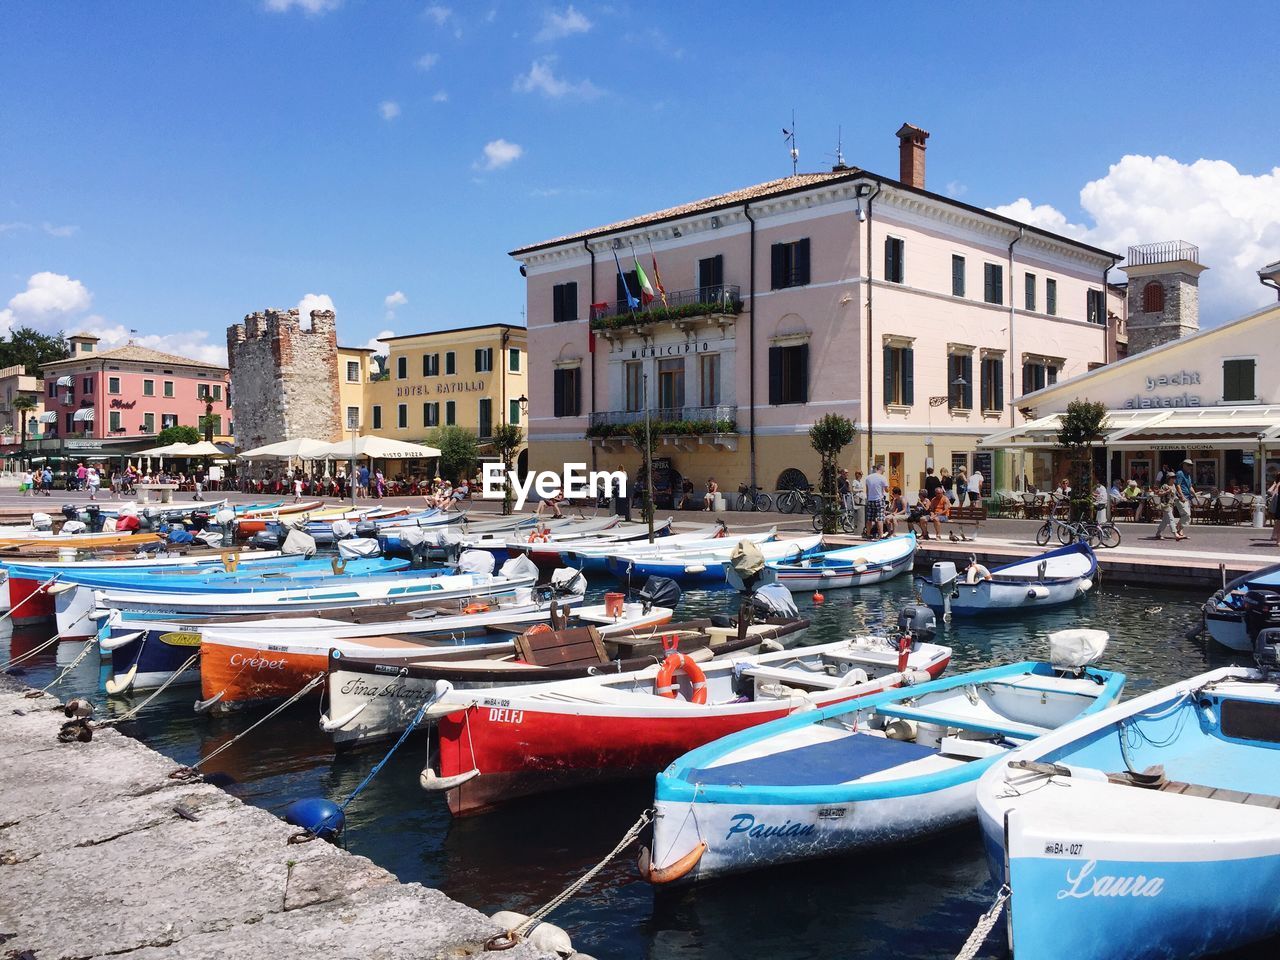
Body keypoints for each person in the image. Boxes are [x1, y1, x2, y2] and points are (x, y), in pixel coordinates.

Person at [863, 463, 889, 539]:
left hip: (870, 499)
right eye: (884, 469)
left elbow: (867, 490)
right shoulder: (883, 478)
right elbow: (887, 490)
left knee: (869, 518)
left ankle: (868, 534)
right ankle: (881, 535)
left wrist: (868, 499)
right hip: (879, 499)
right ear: (880, 468)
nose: (884, 470)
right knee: (880, 518)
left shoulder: (868, 478)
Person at [1174, 459, 1195, 539]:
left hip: (1187, 497)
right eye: (1189, 465)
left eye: (1191, 465)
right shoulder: (1180, 473)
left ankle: (1179, 530)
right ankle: (1177, 530)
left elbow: (1190, 487)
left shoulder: (1188, 475)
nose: (1190, 467)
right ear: (1184, 465)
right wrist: (1182, 496)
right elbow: (1178, 485)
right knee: (1186, 514)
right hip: (1181, 497)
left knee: (1186, 515)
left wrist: (1196, 497)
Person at [1268, 474, 1280, 547]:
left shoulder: (1277, 483)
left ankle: (1274, 536)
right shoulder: (1278, 484)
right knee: (1278, 521)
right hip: (1277, 503)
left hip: (1276, 503)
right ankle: (1276, 538)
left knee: (1278, 521)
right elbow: (1270, 491)